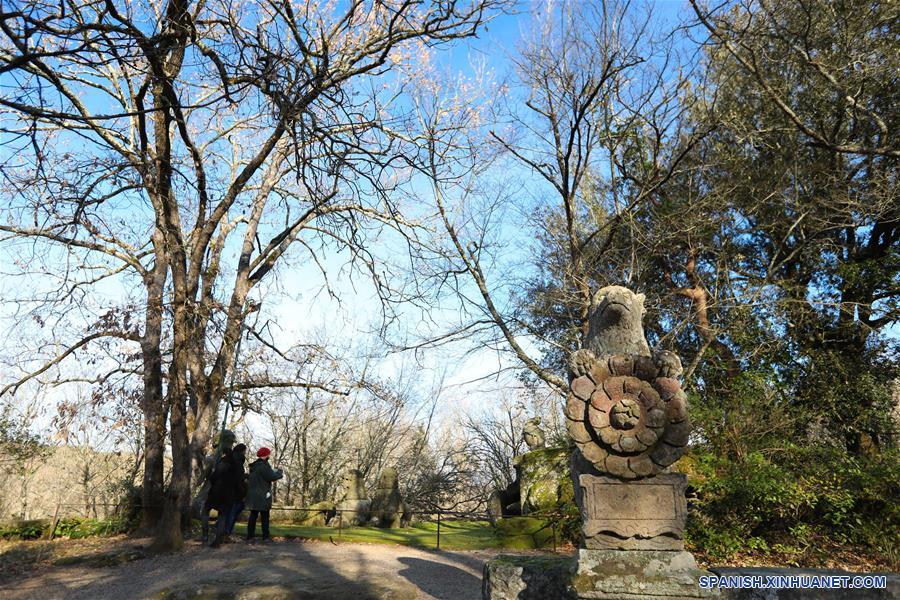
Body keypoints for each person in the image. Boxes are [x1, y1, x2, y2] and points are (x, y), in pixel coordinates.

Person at [206, 443, 247, 547]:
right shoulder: (237, 465)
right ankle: (220, 537)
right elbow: (239, 480)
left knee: (215, 514)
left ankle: (209, 536)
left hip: (219, 492)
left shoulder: (224, 463)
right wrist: (242, 492)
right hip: (230, 494)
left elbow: (213, 477)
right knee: (224, 515)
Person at [245, 447, 283, 542]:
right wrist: (279, 472)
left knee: (253, 516)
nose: (269, 456)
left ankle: (250, 537)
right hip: (262, 495)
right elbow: (271, 476)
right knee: (265, 517)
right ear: (265, 455)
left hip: (253, 495)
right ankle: (265, 537)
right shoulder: (263, 466)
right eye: (268, 454)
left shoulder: (254, 466)